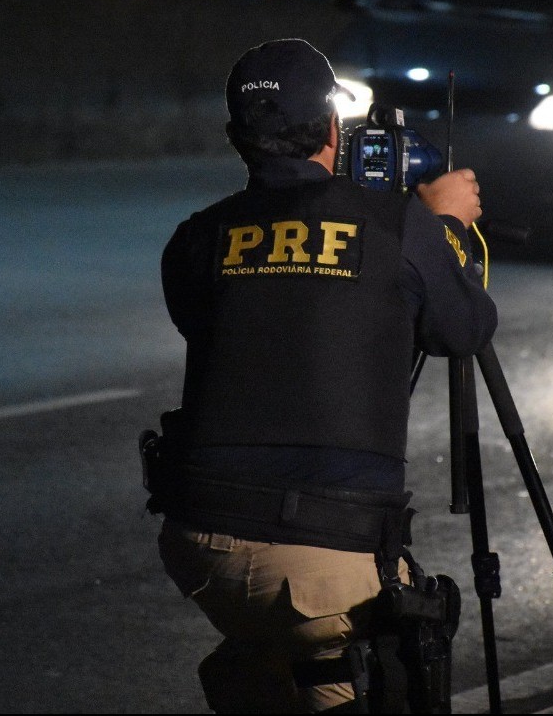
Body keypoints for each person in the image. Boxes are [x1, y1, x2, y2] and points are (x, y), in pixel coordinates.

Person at [153, 37, 497, 713]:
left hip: (200, 547)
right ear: (335, 132)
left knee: (270, 639)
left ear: (235, 138)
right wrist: (445, 228)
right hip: (325, 555)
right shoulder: (397, 225)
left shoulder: (196, 236)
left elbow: (219, 324)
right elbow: (463, 328)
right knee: (373, 660)